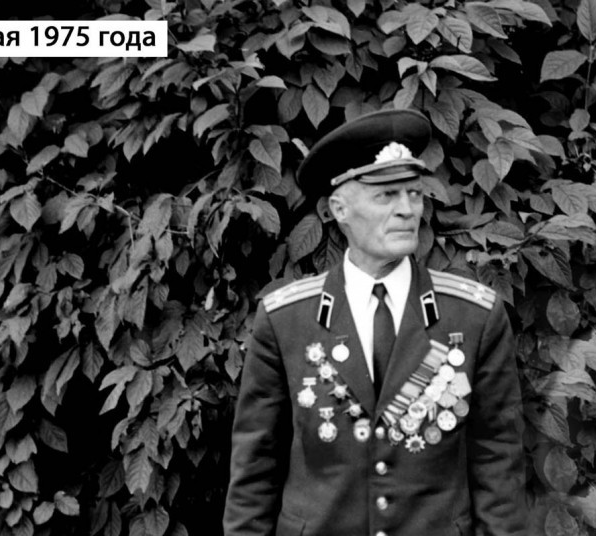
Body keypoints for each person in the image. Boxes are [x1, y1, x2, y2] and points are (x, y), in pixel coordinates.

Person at [223, 109, 527, 536]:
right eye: (386, 196)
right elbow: (255, 468)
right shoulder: (285, 319)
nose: (408, 210)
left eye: (414, 194)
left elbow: (498, 462)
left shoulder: (474, 315)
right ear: (339, 209)